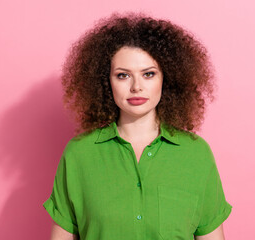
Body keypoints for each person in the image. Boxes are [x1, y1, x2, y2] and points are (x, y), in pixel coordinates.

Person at [43, 11, 233, 240]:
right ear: (106, 80)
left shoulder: (196, 153)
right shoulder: (79, 154)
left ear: (167, 78)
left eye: (149, 74)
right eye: (123, 75)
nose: (136, 87)